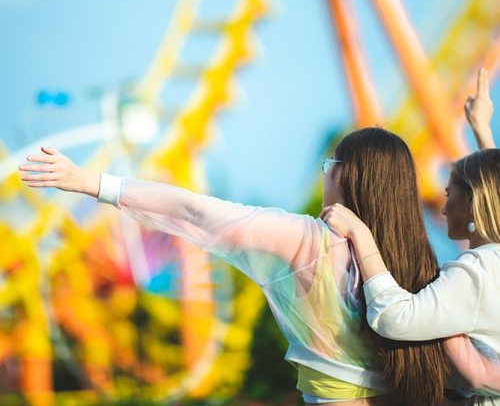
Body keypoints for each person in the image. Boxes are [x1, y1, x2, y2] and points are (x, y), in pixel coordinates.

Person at [20, 127, 453, 405]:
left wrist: (94, 183)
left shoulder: (310, 240)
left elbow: (195, 211)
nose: (324, 175)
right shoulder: (416, 257)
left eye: (328, 165)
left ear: (345, 175)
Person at [322, 68, 500, 404]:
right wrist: (481, 130)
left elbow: (396, 318)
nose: (442, 208)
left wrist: (361, 235)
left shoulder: (475, 274)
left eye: (450, 194)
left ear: (473, 202)